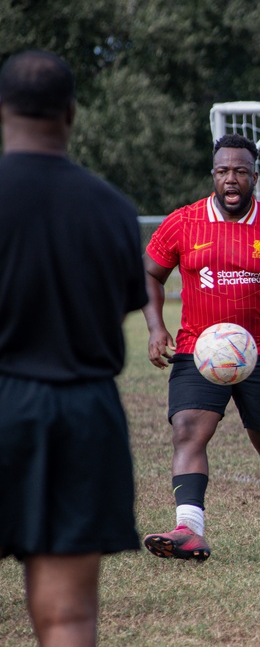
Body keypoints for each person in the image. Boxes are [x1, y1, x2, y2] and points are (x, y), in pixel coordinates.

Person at [0, 50, 148, 646]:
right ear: (71, 112)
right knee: (69, 617)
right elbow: (121, 303)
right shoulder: (111, 207)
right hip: (84, 414)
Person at [141, 133, 260, 560]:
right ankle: (189, 529)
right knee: (188, 430)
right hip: (197, 350)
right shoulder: (183, 222)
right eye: (223, 170)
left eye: (241, 171)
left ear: (255, 177)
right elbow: (149, 273)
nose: (231, 179)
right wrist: (156, 328)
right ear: (213, 174)